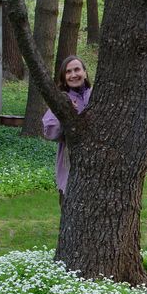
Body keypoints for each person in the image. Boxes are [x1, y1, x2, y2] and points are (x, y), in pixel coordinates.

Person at [42, 56, 92, 203]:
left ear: (85, 73)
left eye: (77, 69)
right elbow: (50, 132)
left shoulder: (97, 95)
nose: (73, 75)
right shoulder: (60, 99)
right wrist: (65, 112)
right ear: (64, 78)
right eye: (68, 72)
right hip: (71, 167)